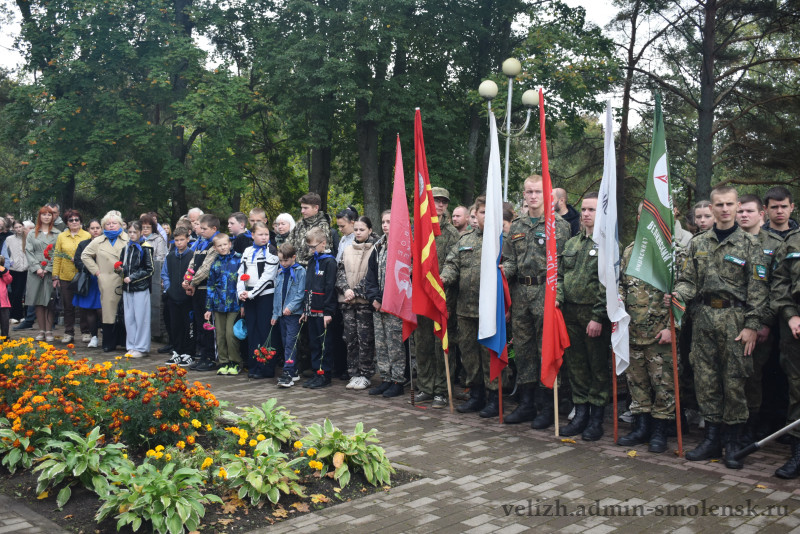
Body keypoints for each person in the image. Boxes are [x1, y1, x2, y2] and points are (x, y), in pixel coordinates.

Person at [667, 186, 769, 469]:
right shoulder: (698, 243)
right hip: (703, 319)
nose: (725, 209)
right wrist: (679, 295)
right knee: (706, 380)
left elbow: (758, 290)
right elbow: (688, 280)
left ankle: (732, 442)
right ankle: (712, 439)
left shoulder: (750, 244)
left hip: (735, 320)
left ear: (737, 207)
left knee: (734, 382)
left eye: (729, 204)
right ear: (711, 209)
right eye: (719, 205)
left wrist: (752, 325)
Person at [501, 175, 571, 427]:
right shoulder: (517, 225)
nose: (533, 196)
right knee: (523, 350)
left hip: (546, 293)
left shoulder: (559, 225)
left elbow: (563, 266)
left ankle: (547, 406)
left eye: (538, 192)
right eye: (529, 192)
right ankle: (527, 404)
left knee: (546, 349)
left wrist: (558, 296)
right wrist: (502, 273)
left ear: (547, 195)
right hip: (521, 294)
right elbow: (510, 260)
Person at [617, 201, 683, 453]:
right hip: (633, 331)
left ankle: (659, 431)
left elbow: (684, 293)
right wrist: (618, 304)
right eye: (642, 215)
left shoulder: (672, 253)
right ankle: (641, 427)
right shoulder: (630, 251)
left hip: (660, 333)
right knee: (637, 384)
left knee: (664, 386)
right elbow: (622, 284)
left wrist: (673, 327)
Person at [556, 193, 611, 440]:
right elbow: (559, 275)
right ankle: (580, 414)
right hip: (570, 314)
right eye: (584, 209)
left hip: (593, 315)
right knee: (576, 365)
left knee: (596, 367)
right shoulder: (571, 244)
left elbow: (608, 284)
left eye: (592, 210)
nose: (586, 214)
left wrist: (598, 316)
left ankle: (596, 418)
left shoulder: (608, 244)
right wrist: (558, 298)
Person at [441, 195, 500, 416]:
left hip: (491, 311)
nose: (484, 216)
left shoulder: (501, 240)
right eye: (481, 212)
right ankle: (476, 395)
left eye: (488, 212)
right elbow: (452, 264)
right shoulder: (465, 240)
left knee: (489, 355)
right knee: (469, 354)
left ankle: (494, 397)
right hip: (466, 309)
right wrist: (443, 278)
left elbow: (511, 267)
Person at [737, 194, 783, 444]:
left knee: (753, 376)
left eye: (749, 211)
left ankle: (750, 427)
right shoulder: (730, 241)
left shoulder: (775, 245)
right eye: (740, 211)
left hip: (761, 324)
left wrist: (765, 322)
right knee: (732, 376)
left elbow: (778, 287)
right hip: (731, 321)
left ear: (761, 214)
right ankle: (732, 426)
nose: (744, 215)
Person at [415, 187, 460, 409]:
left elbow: (454, 263)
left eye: (444, 202)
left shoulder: (452, 234)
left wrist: (442, 284)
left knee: (441, 344)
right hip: (423, 296)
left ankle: (441, 390)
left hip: (443, 296)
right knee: (423, 343)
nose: (440, 205)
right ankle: (426, 386)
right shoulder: (419, 230)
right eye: (436, 201)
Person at [365, 210, 406, 398]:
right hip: (377, 305)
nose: (385, 225)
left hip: (394, 306)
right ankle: (386, 378)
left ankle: (398, 380)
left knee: (394, 343)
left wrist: (383, 299)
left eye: (389, 221)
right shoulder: (378, 246)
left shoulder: (402, 247)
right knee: (381, 344)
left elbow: (400, 277)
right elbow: (371, 276)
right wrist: (374, 298)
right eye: (383, 221)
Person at [770, 224, 800, 478]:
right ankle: (798, 453)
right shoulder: (793, 241)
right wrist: (791, 315)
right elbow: (780, 284)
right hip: (796, 327)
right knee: (797, 389)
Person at [336, 216, 378, 391]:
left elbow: (372, 276)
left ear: (370, 230)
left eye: (362, 229)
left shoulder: (375, 249)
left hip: (364, 303)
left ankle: (365, 374)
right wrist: (346, 289)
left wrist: (356, 291)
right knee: (350, 338)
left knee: (365, 339)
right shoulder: (347, 249)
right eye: (356, 230)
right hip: (348, 302)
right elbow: (340, 272)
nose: (358, 233)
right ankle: (354, 373)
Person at [82, 210, 129, 352]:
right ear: (103, 226)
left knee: (125, 311)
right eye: (108, 224)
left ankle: (126, 342)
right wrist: (97, 272)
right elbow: (85, 255)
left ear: (120, 224)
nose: (111, 226)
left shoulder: (128, 239)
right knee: (109, 312)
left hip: (125, 279)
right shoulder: (98, 241)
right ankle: (109, 343)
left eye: (114, 223)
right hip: (107, 280)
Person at [237, 221, 279, 378]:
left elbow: (268, 277)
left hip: (265, 296)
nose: (264, 237)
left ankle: (266, 368)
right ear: (252, 235)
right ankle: (254, 366)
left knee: (264, 331)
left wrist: (251, 293)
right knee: (252, 331)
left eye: (266, 234)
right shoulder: (247, 250)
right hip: (249, 296)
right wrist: (240, 292)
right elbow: (241, 273)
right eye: (260, 234)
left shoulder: (271, 250)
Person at [300, 226, 337, 389]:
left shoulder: (330, 262)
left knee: (324, 344)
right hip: (311, 310)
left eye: (313, 246)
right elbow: (308, 286)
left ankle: (325, 374)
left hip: (323, 311)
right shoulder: (311, 261)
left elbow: (330, 288)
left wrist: (328, 312)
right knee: (314, 343)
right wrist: (305, 309)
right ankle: (316, 372)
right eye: (309, 247)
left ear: (323, 243)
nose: (311, 249)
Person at [183, 214, 220, 371]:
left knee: (208, 325)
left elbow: (206, 268)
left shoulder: (215, 245)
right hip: (196, 289)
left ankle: (210, 357)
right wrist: (187, 279)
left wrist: (192, 282)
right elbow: (192, 264)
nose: (201, 231)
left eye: (204, 229)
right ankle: (203, 356)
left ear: (214, 228)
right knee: (199, 324)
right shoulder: (200, 244)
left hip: (208, 291)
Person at [204, 234, 243, 375]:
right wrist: (208, 308)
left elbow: (243, 283)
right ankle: (223, 362)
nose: (223, 248)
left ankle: (235, 362)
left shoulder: (238, 259)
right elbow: (211, 286)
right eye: (219, 246)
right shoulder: (215, 263)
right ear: (215, 248)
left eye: (225, 244)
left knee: (230, 334)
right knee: (220, 335)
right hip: (218, 304)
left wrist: (243, 304)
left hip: (234, 304)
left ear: (230, 244)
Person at [52, 210, 91, 343]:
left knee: (83, 306)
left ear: (81, 221)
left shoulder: (87, 235)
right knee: (68, 306)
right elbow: (57, 256)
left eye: (76, 220)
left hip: (82, 275)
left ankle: (85, 331)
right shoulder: (62, 236)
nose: (74, 222)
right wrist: (55, 276)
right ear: (66, 223)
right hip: (66, 276)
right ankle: (69, 332)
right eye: (71, 220)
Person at [118, 221, 153, 358]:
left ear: (141, 232)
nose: (132, 235)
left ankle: (141, 347)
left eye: (134, 232)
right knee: (129, 318)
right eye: (130, 232)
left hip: (140, 288)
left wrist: (132, 277)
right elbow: (124, 266)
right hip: (127, 288)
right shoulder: (126, 247)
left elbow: (149, 269)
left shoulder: (146, 248)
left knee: (141, 318)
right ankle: (131, 346)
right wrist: (120, 270)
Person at [272, 242, 306, 387]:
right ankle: (294, 370)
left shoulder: (300, 271)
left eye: (286, 260)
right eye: (281, 260)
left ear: (293, 257)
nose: (283, 263)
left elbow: (300, 293)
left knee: (290, 344)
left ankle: (288, 373)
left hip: (293, 314)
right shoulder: (280, 272)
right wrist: (275, 314)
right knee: (285, 342)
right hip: (282, 315)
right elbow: (277, 295)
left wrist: (291, 307)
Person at [25, 206, 61, 342]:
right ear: (39, 216)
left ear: (53, 217)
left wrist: (49, 268)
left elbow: (58, 253)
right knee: (38, 301)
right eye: (44, 214)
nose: (46, 217)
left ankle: (49, 330)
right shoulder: (32, 233)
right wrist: (37, 268)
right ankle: (41, 330)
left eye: (49, 214)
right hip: (35, 271)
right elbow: (28, 251)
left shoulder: (58, 233)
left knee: (49, 301)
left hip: (51, 269)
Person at [161, 226, 195, 366]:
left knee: (188, 326)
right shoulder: (170, 257)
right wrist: (169, 289)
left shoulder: (192, 255)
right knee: (175, 325)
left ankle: (189, 353)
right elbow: (164, 274)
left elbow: (195, 273)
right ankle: (177, 351)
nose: (179, 243)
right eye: (176, 240)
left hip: (187, 297)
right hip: (173, 297)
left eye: (182, 240)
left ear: (188, 239)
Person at [72, 219, 103, 347]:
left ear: (101, 229)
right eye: (92, 228)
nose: (95, 230)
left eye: (97, 228)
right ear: (88, 230)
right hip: (89, 280)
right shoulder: (83, 244)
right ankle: (93, 337)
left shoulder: (107, 243)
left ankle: (107, 336)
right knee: (90, 310)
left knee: (102, 310)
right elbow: (78, 261)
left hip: (104, 280)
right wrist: (91, 268)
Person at [287, 193, 337, 267]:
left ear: (316, 208)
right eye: (302, 208)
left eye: (305, 208)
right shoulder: (299, 224)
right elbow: (288, 244)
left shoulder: (323, 226)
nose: (302, 211)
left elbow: (322, 251)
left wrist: (301, 264)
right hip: (295, 267)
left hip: (312, 268)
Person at [3, 221, 28, 322]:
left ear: (23, 227)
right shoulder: (9, 239)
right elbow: (4, 253)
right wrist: (9, 263)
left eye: (20, 227)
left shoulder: (27, 238)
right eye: (16, 227)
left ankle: (21, 315)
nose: (18, 229)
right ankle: (15, 315)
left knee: (21, 292)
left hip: (25, 269)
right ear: (13, 228)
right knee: (14, 292)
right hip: (13, 269)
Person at [0, 256, 12, 338]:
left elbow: (9, 280)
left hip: (3, 301)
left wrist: (5, 272)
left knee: (4, 321)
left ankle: (5, 337)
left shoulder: (3, 272)